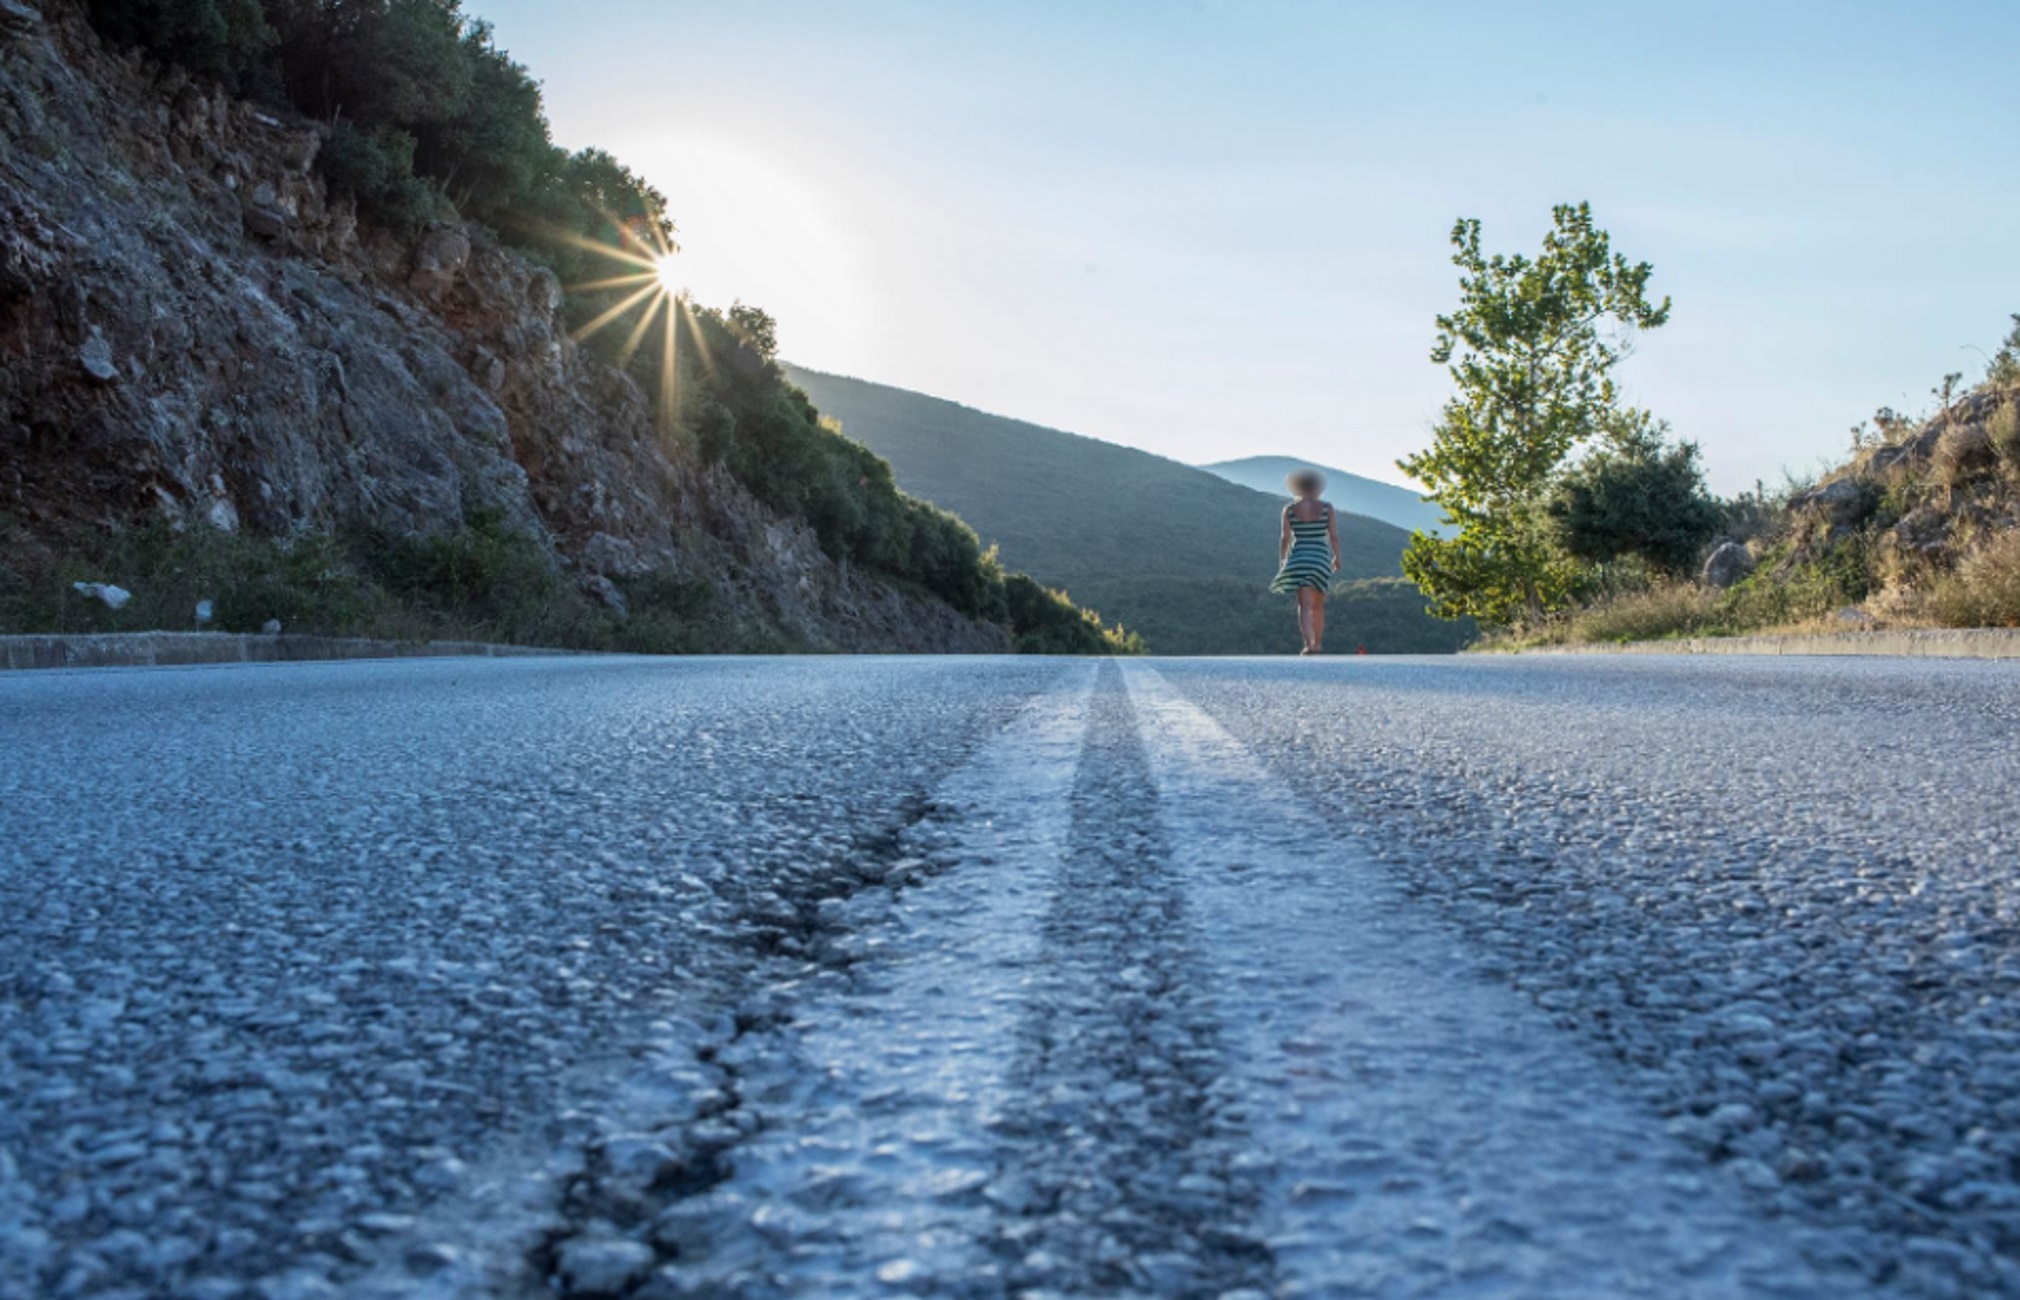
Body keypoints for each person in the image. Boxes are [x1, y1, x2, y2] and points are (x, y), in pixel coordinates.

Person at [1270, 469, 1341, 654]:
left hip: (1299, 558)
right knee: (1318, 605)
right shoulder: (1327, 508)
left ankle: (1308, 644)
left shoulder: (1289, 509)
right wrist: (1337, 557)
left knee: (1304, 605)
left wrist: (1283, 559)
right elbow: (1334, 536)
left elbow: (1285, 538)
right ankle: (1318, 643)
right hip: (1320, 558)